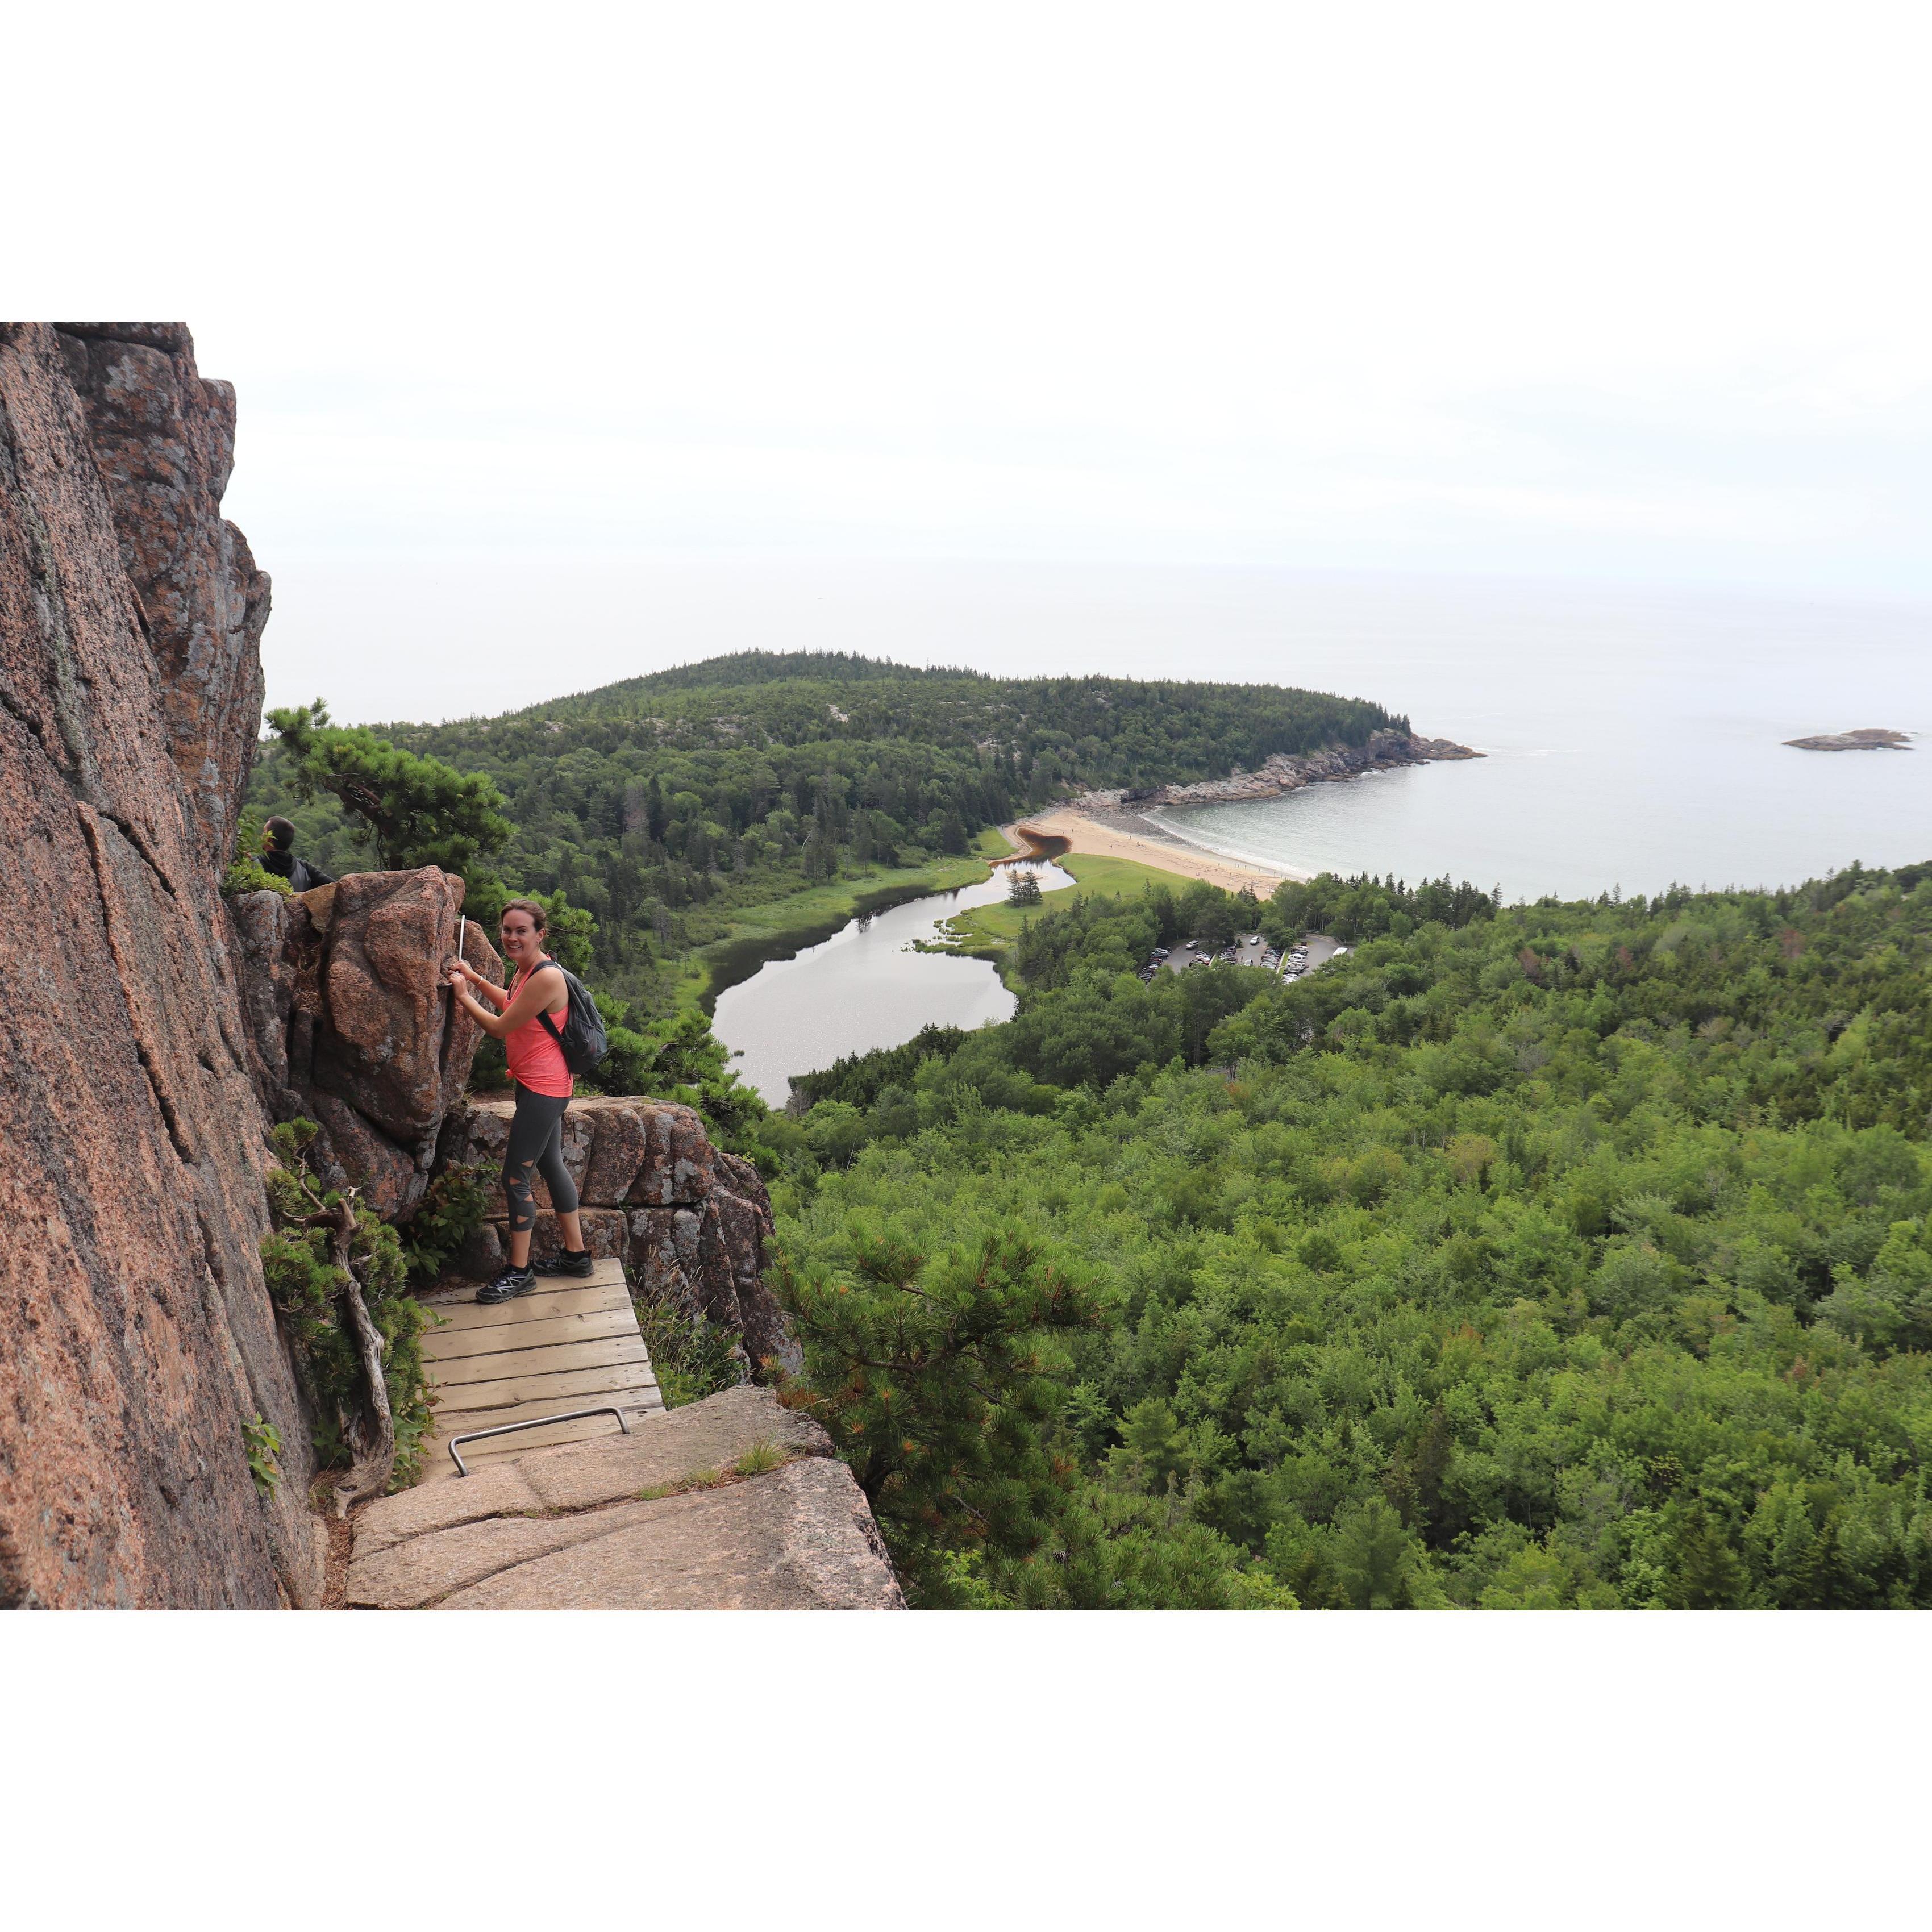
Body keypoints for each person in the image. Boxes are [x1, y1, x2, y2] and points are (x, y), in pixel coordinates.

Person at [444, 898, 595, 1302]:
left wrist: (462, 994)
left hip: (544, 1090)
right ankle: (576, 1258)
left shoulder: (546, 978)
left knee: (516, 1177)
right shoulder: (526, 970)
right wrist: (475, 978)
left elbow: (498, 1026)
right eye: (507, 929)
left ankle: (519, 1271)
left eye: (521, 931)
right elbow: (512, 1004)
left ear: (539, 934)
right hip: (540, 1085)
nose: (511, 937)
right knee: (551, 1164)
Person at [259, 817, 335, 893]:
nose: (261, 836)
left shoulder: (253, 865)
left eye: (264, 832)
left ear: (268, 839)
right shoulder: (305, 868)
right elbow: (336, 887)